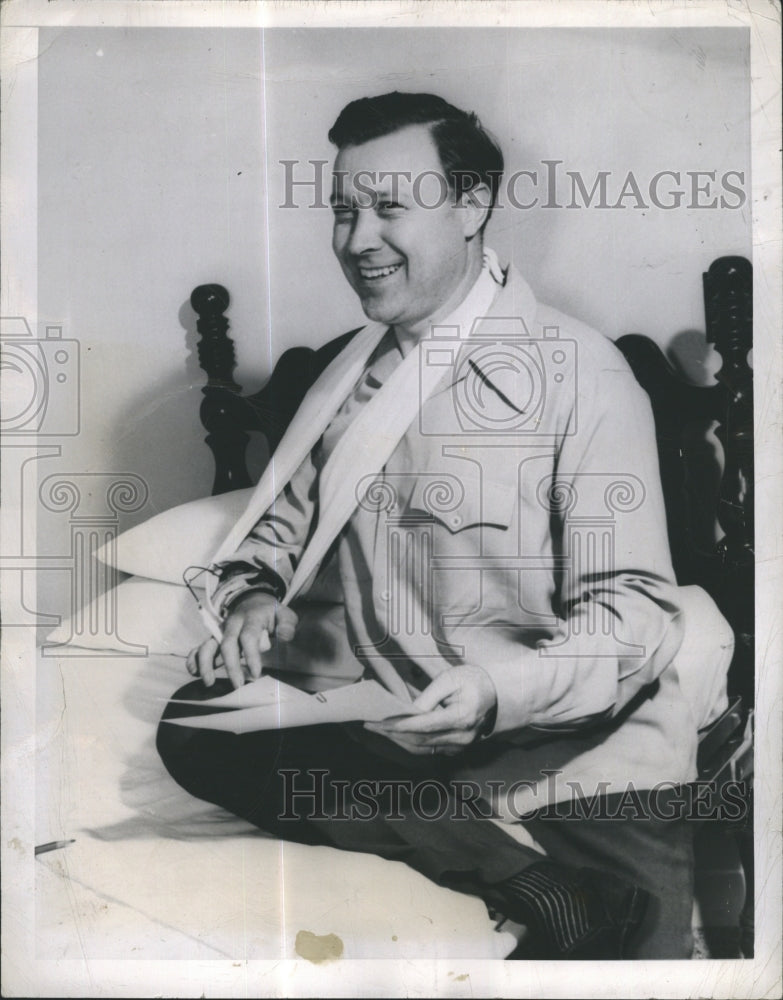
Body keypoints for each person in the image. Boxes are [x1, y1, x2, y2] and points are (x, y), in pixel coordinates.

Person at [157, 92, 710, 960]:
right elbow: (274, 536)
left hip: (564, 753)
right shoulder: (344, 381)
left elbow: (632, 620)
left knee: (634, 959)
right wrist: (256, 601)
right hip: (395, 747)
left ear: (472, 207)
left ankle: (531, 873)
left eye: (388, 208)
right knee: (195, 720)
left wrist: (498, 692)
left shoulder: (583, 379)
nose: (356, 240)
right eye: (343, 210)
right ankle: (529, 883)